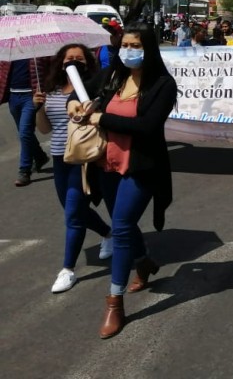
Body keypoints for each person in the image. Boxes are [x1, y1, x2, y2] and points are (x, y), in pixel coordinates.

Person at [68, 22, 177, 339]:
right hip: (107, 164)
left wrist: (102, 117)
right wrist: (76, 105)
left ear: (149, 49)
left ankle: (114, 303)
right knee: (124, 225)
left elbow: (146, 127)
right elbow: (78, 95)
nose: (128, 51)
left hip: (141, 168)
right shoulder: (111, 77)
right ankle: (143, 262)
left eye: (135, 45)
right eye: (124, 45)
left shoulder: (162, 85)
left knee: (121, 226)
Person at [34, 44, 113, 293]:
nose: (74, 62)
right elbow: (44, 130)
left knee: (73, 214)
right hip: (60, 157)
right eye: (69, 58)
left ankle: (68, 270)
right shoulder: (51, 89)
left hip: (85, 159)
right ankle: (109, 233)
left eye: (79, 59)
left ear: (88, 63)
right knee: (73, 210)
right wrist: (37, 107)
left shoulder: (94, 88)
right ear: (60, 62)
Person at [0, 57, 50, 186]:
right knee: (24, 134)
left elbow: (48, 69)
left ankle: (24, 170)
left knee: (24, 133)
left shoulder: (36, 48)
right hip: (13, 97)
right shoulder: (10, 50)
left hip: (31, 97)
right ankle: (40, 156)